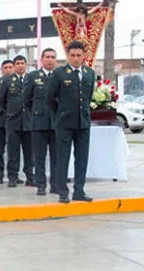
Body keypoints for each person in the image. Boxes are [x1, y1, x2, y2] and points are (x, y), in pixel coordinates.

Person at [47, 40, 95, 203]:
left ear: (84, 56)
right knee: (63, 157)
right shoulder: (59, 73)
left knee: (82, 157)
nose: (75, 58)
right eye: (72, 55)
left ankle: (79, 190)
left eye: (78, 55)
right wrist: (60, 114)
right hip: (64, 123)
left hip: (83, 122)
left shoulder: (89, 73)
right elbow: (51, 98)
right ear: (68, 56)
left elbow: (88, 97)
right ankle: (62, 190)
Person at [24, 48, 58, 196]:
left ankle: (56, 185)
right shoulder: (33, 76)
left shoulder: (59, 76)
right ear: (42, 59)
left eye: (52, 57)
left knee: (57, 157)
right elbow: (26, 100)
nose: (50, 59)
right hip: (39, 122)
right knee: (39, 157)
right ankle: (41, 185)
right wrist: (37, 113)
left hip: (57, 123)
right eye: (47, 57)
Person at [0, 55, 34, 187]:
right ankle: (13, 177)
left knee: (30, 152)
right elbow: (1, 101)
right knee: (13, 152)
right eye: (17, 63)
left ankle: (30, 177)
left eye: (22, 63)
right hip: (13, 122)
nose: (20, 65)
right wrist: (11, 112)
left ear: (26, 65)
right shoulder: (7, 80)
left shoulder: (31, 79)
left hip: (29, 122)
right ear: (14, 65)